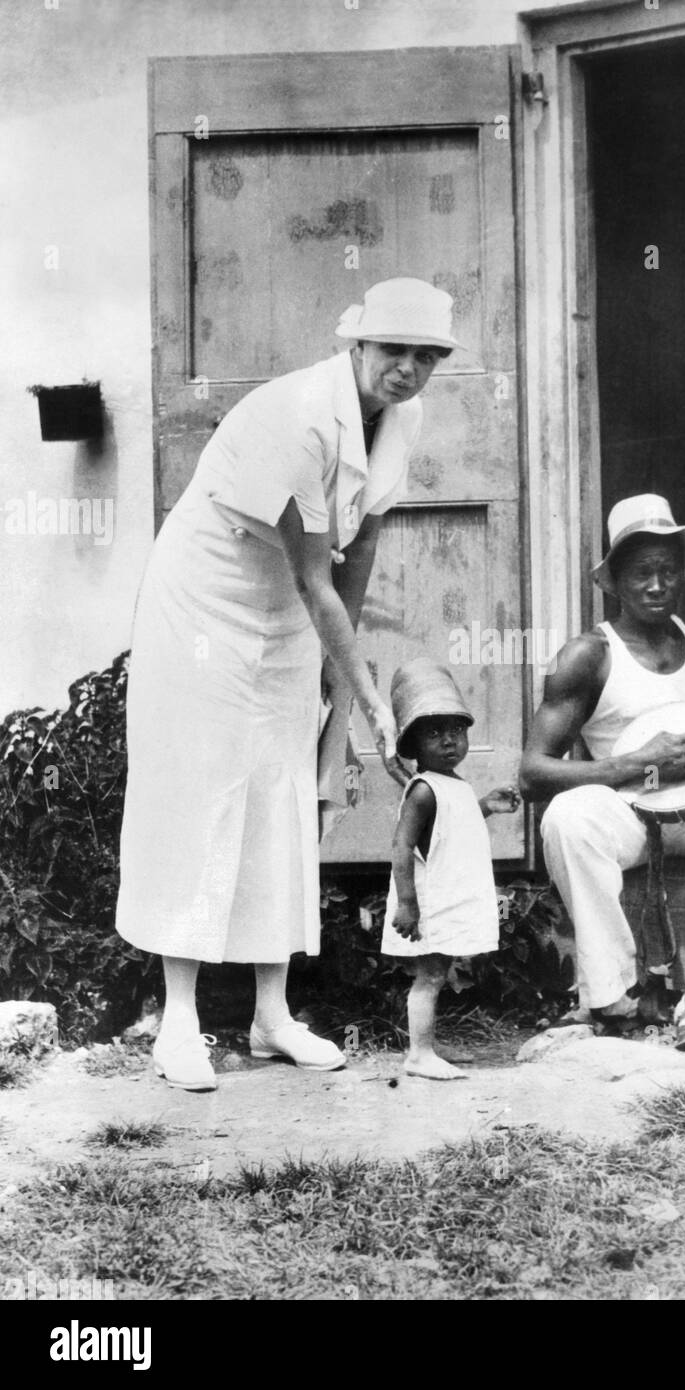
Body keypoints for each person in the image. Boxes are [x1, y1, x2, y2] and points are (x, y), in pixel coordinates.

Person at [116, 278, 459, 1091]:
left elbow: (358, 554)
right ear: (356, 347)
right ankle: (181, 1023)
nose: (407, 369)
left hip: (290, 606)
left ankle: (272, 1018)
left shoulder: (400, 419)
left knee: (284, 792)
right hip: (208, 596)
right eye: (393, 352)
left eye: (425, 356)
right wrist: (373, 701)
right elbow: (317, 576)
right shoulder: (298, 416)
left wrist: (347, 695)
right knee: (203, 789)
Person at [519, 494, 685, 1051]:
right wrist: (641, 763)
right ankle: (612, 994)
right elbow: (531, 774)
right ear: (614, 581)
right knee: (568, 817)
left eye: (668, 571)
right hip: (628, 815)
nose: (656, 585)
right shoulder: (589, 655)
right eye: (641, 573)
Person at [381, 659, 520, 1079]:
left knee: (437, 974)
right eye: (435, 732)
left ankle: (428, 1044)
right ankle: (419, 1054)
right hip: (429, 905)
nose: (448, 741)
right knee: (429, 976)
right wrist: (407, 904)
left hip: (447, 899)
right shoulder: (423, 790)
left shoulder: (454, 785)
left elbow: (454, 826)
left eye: (456, 731)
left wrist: (487, 806)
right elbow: (402, 846)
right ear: (414, 745)